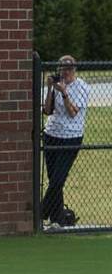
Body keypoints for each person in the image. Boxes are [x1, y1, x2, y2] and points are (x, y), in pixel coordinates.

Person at [41, 55, 90, 229]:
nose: (65, 72)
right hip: (52, 135)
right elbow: (47, 110)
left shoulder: (82, 86)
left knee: (58, 179)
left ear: (74, 69)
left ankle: (40, 213)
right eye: (62, 68)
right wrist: (49, 89)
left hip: (71, 138)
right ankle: (57, 219)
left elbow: (73, 112)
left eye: (69, 68)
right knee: (53, 178)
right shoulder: (56, 84)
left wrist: (64, 92)